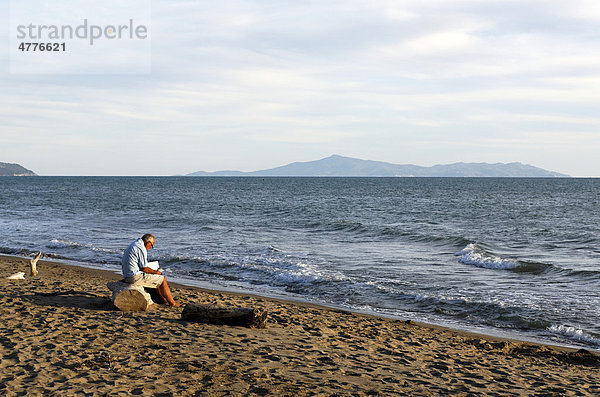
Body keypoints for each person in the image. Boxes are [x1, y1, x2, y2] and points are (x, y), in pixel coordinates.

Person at [121, 233, 180, 307]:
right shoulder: (140, 248)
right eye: (151, 245)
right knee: (162, 279)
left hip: (127, 274)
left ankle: (164, 300)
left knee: (156, 277)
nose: (150, 247)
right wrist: (156, 272)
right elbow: (144, 268)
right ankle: (172, 303)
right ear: (148, 242)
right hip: (133, 277)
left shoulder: (135, 244)